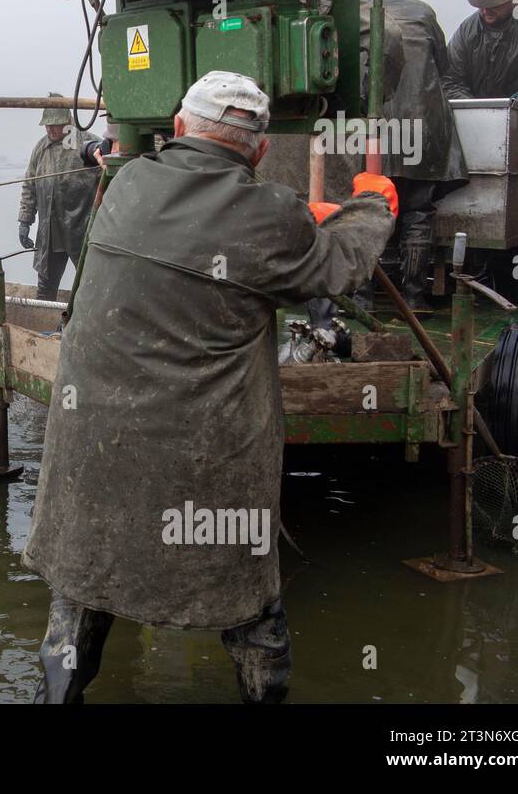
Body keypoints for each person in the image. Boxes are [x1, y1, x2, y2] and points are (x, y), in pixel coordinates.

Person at [22, 71, 398, 704]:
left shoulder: (129, 182)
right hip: (205, 460)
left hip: (93, 450)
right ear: (260, 150)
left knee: (84, 586)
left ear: (176, 129)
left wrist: (298, 224)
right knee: (249, 605)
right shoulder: (270, 214)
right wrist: (370, 206)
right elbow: (340, 267)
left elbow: (205, 229)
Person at [359, 0, 466, 313]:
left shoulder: (358, 13)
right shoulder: (424, 12)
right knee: (417, 211)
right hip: (423, 124)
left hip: (373, 127)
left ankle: (363, 300)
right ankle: (414, 299)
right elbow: (445, 65)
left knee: (367, 210)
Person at [17, 94, 100, 300]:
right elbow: (30, 185)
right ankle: (42, 326)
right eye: (47, 125)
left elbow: (110, 177)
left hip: (80, 228)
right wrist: (25, 220)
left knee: (89, 284)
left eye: (54, 125)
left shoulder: (88, 143)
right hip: (50, 231)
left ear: (67, 121)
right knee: (45, 287)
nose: (50, 130)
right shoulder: (41, 148)